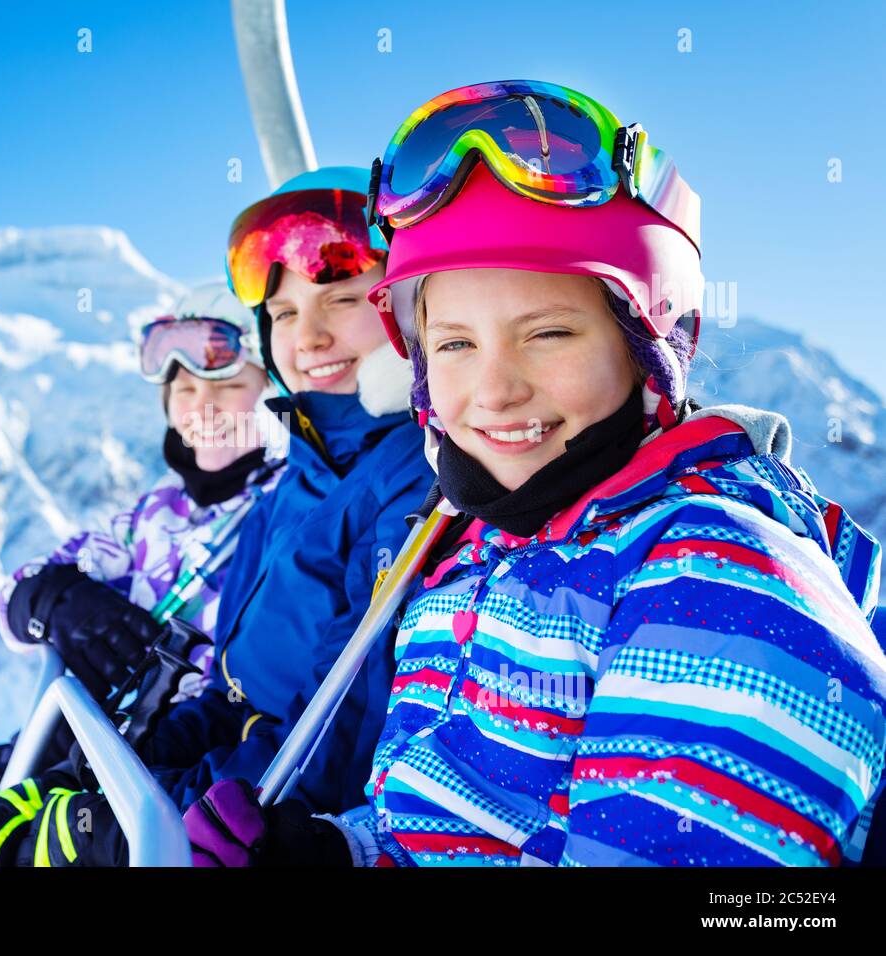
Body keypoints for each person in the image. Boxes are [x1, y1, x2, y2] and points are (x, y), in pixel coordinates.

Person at [183, 80, 886, 867]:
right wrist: (333, 851)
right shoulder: (477, 554)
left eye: (548, 332)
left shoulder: (718, 585)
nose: (493, 390)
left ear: (654, 347)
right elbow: (447, 829)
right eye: (453, 344)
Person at [0, 167, 433, 867]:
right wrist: (89, 779)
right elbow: (232, 696)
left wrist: (128, 812)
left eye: (343, 298)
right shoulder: (293, 483)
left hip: (254, 818)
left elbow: (328, 744)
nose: (311, 336)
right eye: (286, 314)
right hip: (206, 765)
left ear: (403, 303)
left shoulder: (403, 478)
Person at [0, 282, 283, 867]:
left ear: (270, 389)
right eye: (184, 388)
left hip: (167, 756)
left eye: (226, 386)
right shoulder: (156, 513)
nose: (200, 408)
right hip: (90, 738)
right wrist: (58, 598)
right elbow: (19, 590)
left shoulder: (282, 508)